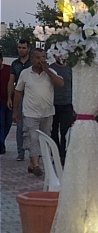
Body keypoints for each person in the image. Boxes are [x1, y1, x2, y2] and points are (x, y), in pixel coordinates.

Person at [13, 48, 64, 176]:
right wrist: (15, 111)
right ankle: (36, 165)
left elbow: (61, 84)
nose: (41, 60)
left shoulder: (50, 72)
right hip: (30, 113)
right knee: (33, 138)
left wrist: (47, 71)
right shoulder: (25, 73)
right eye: (37, 58)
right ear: (32, 59)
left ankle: (32, 163)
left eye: (43, 57)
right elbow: (18, 92)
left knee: (44, 139)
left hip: (47, 113)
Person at [7, 39, 32, 161]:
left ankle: (35, 153)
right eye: (19, 48)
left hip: (32, 97)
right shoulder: (15, 64)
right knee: (19, 125)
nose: (21, 50)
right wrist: (9, 97)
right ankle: (20, 153)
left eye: (23, 48)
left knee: (33, 125)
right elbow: (11, 81)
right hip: (20, 96)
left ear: (28, 49)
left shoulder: (32, 63)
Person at [49, 56, 73, 164]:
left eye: (62, 53)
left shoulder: (70, 69)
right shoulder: (50, 69)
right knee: (53, 131)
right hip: (53, 104)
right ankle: (56, 154)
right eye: (58, 54)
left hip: (67, 105)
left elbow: (74, 86)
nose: (60, 56)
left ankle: (63, 155)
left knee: (65, 132)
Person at [0, 53, 11, 154]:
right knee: (1, 123)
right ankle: (1, 145)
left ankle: (1, 141)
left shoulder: (9, 69)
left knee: (8, 123)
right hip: (0, 102)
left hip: (9, 101)